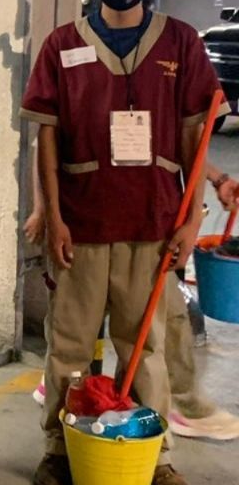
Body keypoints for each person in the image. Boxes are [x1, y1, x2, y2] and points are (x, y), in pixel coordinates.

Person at [20, 0, 231, 485]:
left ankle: (153, 456)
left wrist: (191, 219)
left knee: (147, 349)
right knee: (69, 349)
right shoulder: (62, 44)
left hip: (153, 223)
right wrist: (53, 214)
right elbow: (46, 137)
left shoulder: (181, 42)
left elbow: (193, 133)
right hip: (83, 224)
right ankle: (59, 451)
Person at [26, 159, 239, 442]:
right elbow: (45, 147)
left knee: (159, 322)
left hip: (144, 230)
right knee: (75, 328)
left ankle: (174, 406)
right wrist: (44, 212)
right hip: (85, 224)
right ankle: (180, 403)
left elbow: (183, 139)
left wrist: (216, 179)